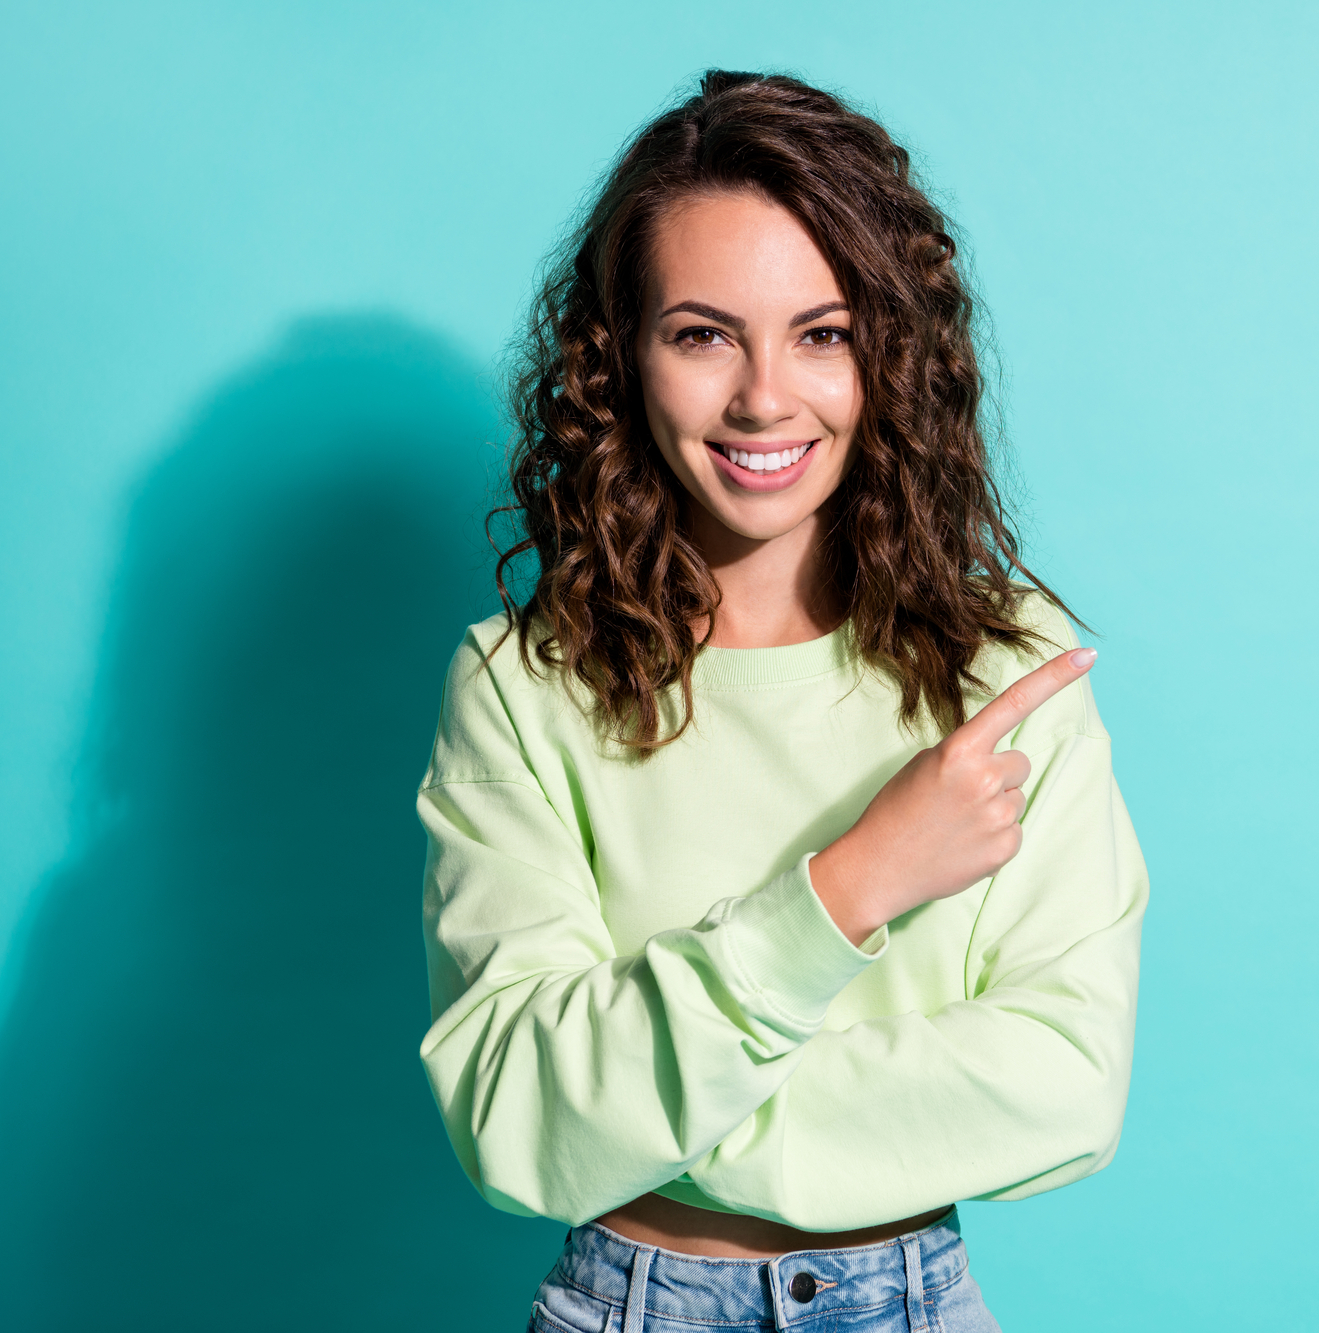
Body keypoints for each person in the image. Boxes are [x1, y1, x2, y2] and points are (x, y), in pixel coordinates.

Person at [416, 70, 1147, 1332]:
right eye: (702, 333)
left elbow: (1064, 1082)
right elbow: (513, 1118)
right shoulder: (520, 689)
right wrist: (851, 884)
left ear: (890, 352)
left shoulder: (1001, 669)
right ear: (621, 356)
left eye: (823, 332)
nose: (764, 397)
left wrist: (647, 1114)